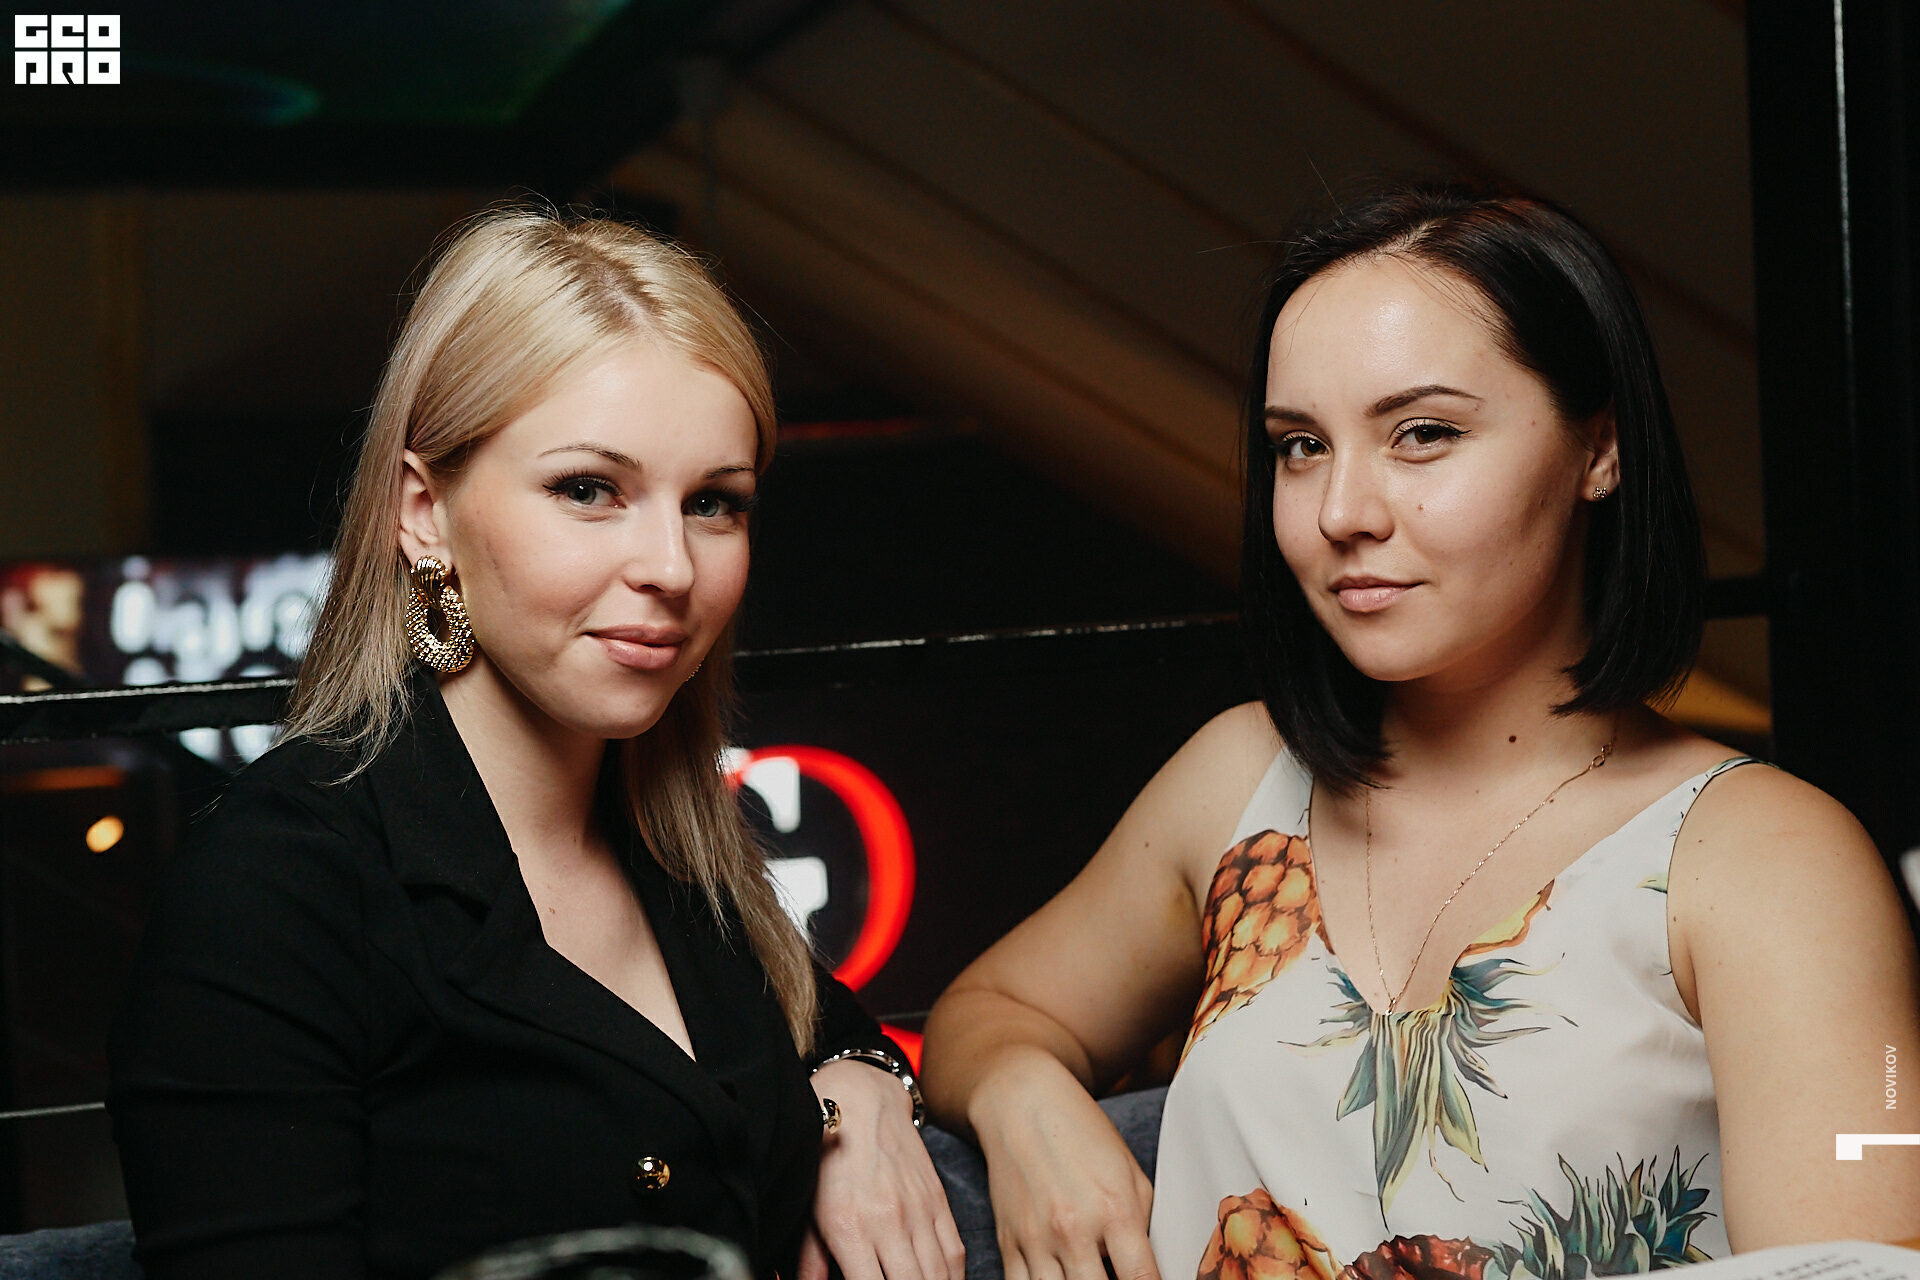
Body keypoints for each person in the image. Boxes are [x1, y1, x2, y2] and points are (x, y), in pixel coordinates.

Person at [920, 182, 1920, 1280]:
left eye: (1424, 434)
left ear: (1600, 448)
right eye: (1301, 445)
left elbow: (1866, 1258)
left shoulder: (1771, 858)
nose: (1341, 511)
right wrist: (1027, 1101)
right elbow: (989, 1009)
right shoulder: (1241, 778)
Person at [109, 209, 964, 1280]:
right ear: (424, 512)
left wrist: (860, 1083)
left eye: (713, 502)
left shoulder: (679, 850)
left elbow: (812, 1021)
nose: (671, 566)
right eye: (588, 490)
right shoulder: (279, 885)